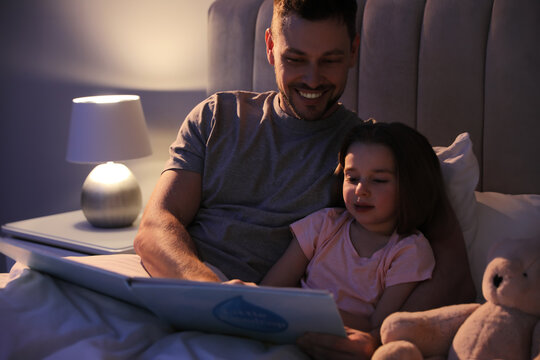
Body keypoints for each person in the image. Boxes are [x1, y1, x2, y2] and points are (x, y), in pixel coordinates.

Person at [134, 0, 476, 358]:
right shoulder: (216, 115)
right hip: (175, 289)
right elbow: (155, 225)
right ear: (270, 47)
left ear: (353, 51)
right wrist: (209, 291)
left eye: (329, 60)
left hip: (263, 324)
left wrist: (377, 337)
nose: (313, 79)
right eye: (295, 59)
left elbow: (456, 276)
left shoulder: (371, 157)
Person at [261, 120, 442, 335]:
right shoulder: (323, 224)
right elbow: (270, 289)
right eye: (352, 178)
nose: (361, 190)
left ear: (412, 186)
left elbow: (378, 326)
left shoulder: (408, 250)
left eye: (379, 180)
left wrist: (307, 310)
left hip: (343, 342)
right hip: (287, 330)